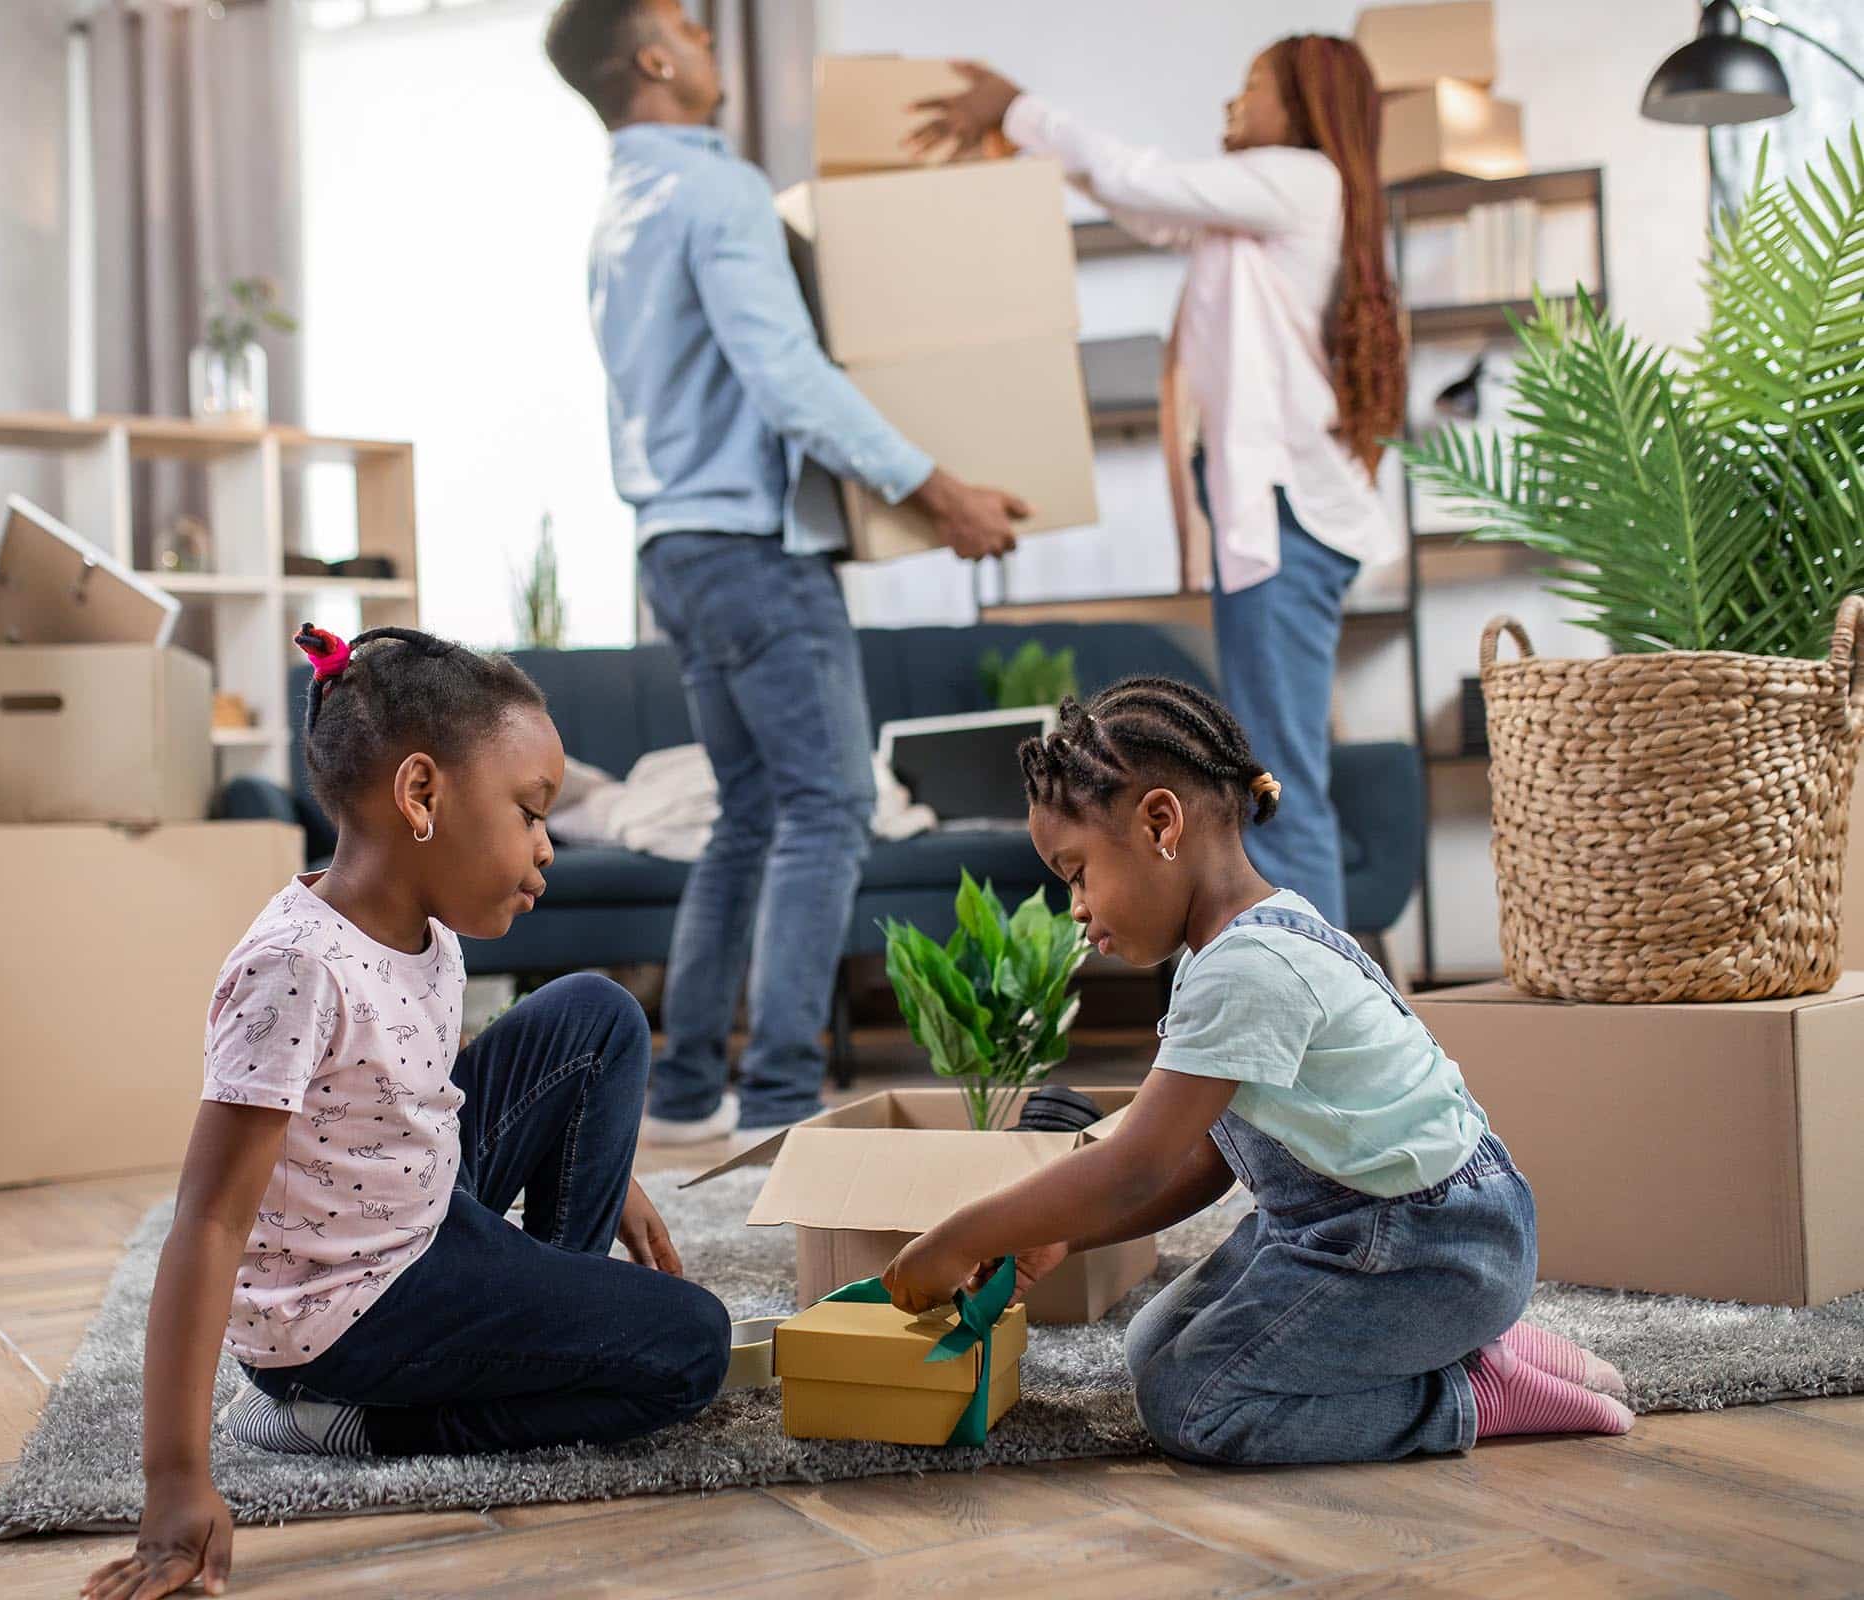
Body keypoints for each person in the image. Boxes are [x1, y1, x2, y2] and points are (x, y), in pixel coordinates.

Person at [84, 626, 729, 1600]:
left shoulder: (422, 926)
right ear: (422, 795)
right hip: (349, 1314)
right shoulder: (298, 967)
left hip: (418, 1218)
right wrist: (175, 1479)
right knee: (690, 1348)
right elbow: (209, 1220)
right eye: (529, 812)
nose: (545, 847)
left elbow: (413, 1097)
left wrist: (606, 1156)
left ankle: (545, 1311)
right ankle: (349, 1419)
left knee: (596, 1012)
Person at [880, 678, 1634, 1465]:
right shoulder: (1247, 941)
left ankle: (1470, 1390)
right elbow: (1201, 1163)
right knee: (1153, 1346)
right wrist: (1063, 1235)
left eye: (1077, 872)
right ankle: (1469, 1343)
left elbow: (1133, 1167)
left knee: (1194, 1404)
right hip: (1353, 1228)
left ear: (1160, 823)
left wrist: (958, 1237)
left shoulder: (1246, 969)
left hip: (1426, 1247)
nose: (1075, 906)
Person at [545, 0, 1034, 1141]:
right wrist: (936, 488)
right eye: (688, 25)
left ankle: (677, 1095)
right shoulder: (715, 193)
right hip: (752, 553)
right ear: (654, 60)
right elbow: (787, 377)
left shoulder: (619, 210)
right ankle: (775, 1100)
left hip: (672, 546)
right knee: (827, 807)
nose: (711, 37)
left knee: (750, 814)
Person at [915, 39, 1407, 929]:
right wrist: (1025, 146)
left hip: (1286, 521)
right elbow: (1142, 203)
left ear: (1301, 105)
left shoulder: (1299, 177)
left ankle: (1325, 1020)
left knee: (1274, 780)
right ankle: (1319, 1009)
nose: (1234, 100)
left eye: (1254, 86)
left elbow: (1145, 181)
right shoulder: (1248, 216)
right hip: (1271, 520)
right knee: (1271, 772)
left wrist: (1017, 105)